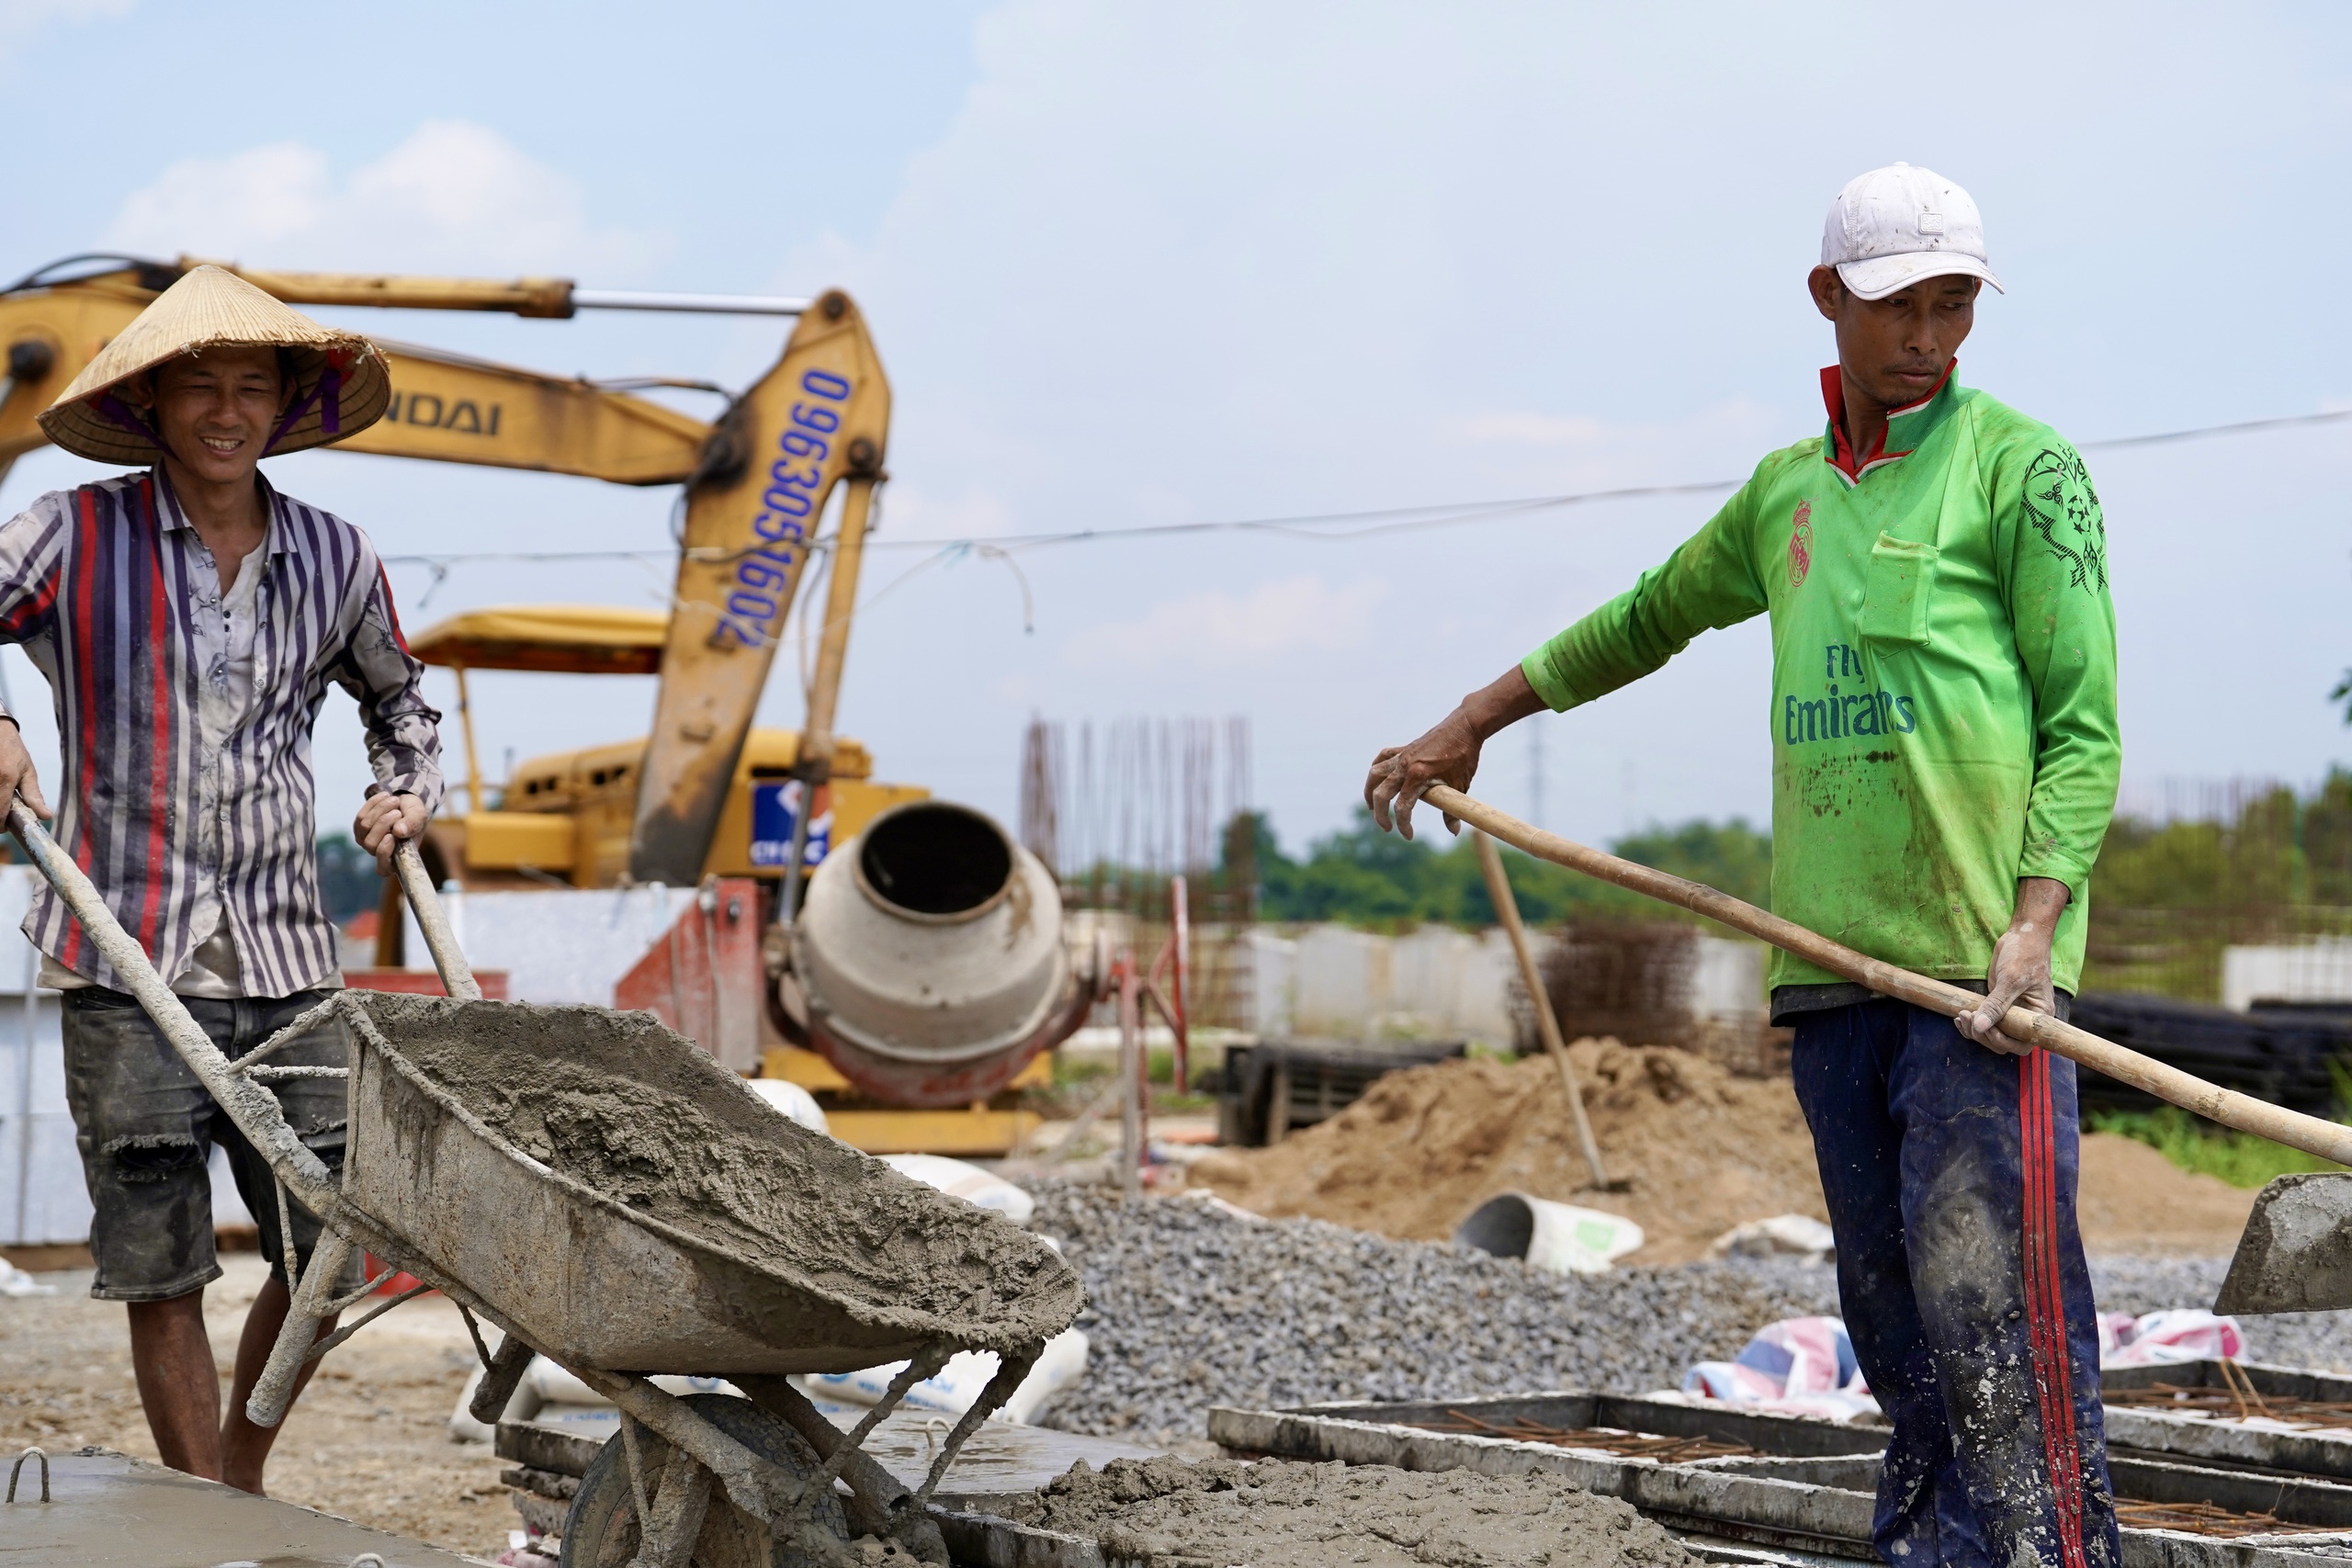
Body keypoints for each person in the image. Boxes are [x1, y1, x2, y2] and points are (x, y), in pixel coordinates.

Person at [1365, 164, 2120, 1568]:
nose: (1932, 338)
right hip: (1833, 979)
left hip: (1978, 980)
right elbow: (1647, 618)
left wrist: (2037, 921)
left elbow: (2083, 728)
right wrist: (1471, 722)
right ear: (1829, 300)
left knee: (1997, 1320)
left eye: (1955, 306)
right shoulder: (1785, 496)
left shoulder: (2026, 469)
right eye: (1902, 306)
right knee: (1894, 1322)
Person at [0, 265, 442, 1494]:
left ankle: (235, 1476)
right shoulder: (70, 535)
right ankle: (205, 1513)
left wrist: (404, 789)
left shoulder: (337, 558)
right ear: (152, 406)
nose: (228, 410)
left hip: (289, 964)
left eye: (254, 385)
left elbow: (403, 702)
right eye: (202, 387)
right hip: (122, 954)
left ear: (292, 402)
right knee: (162, 1259)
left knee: (332, 1247)